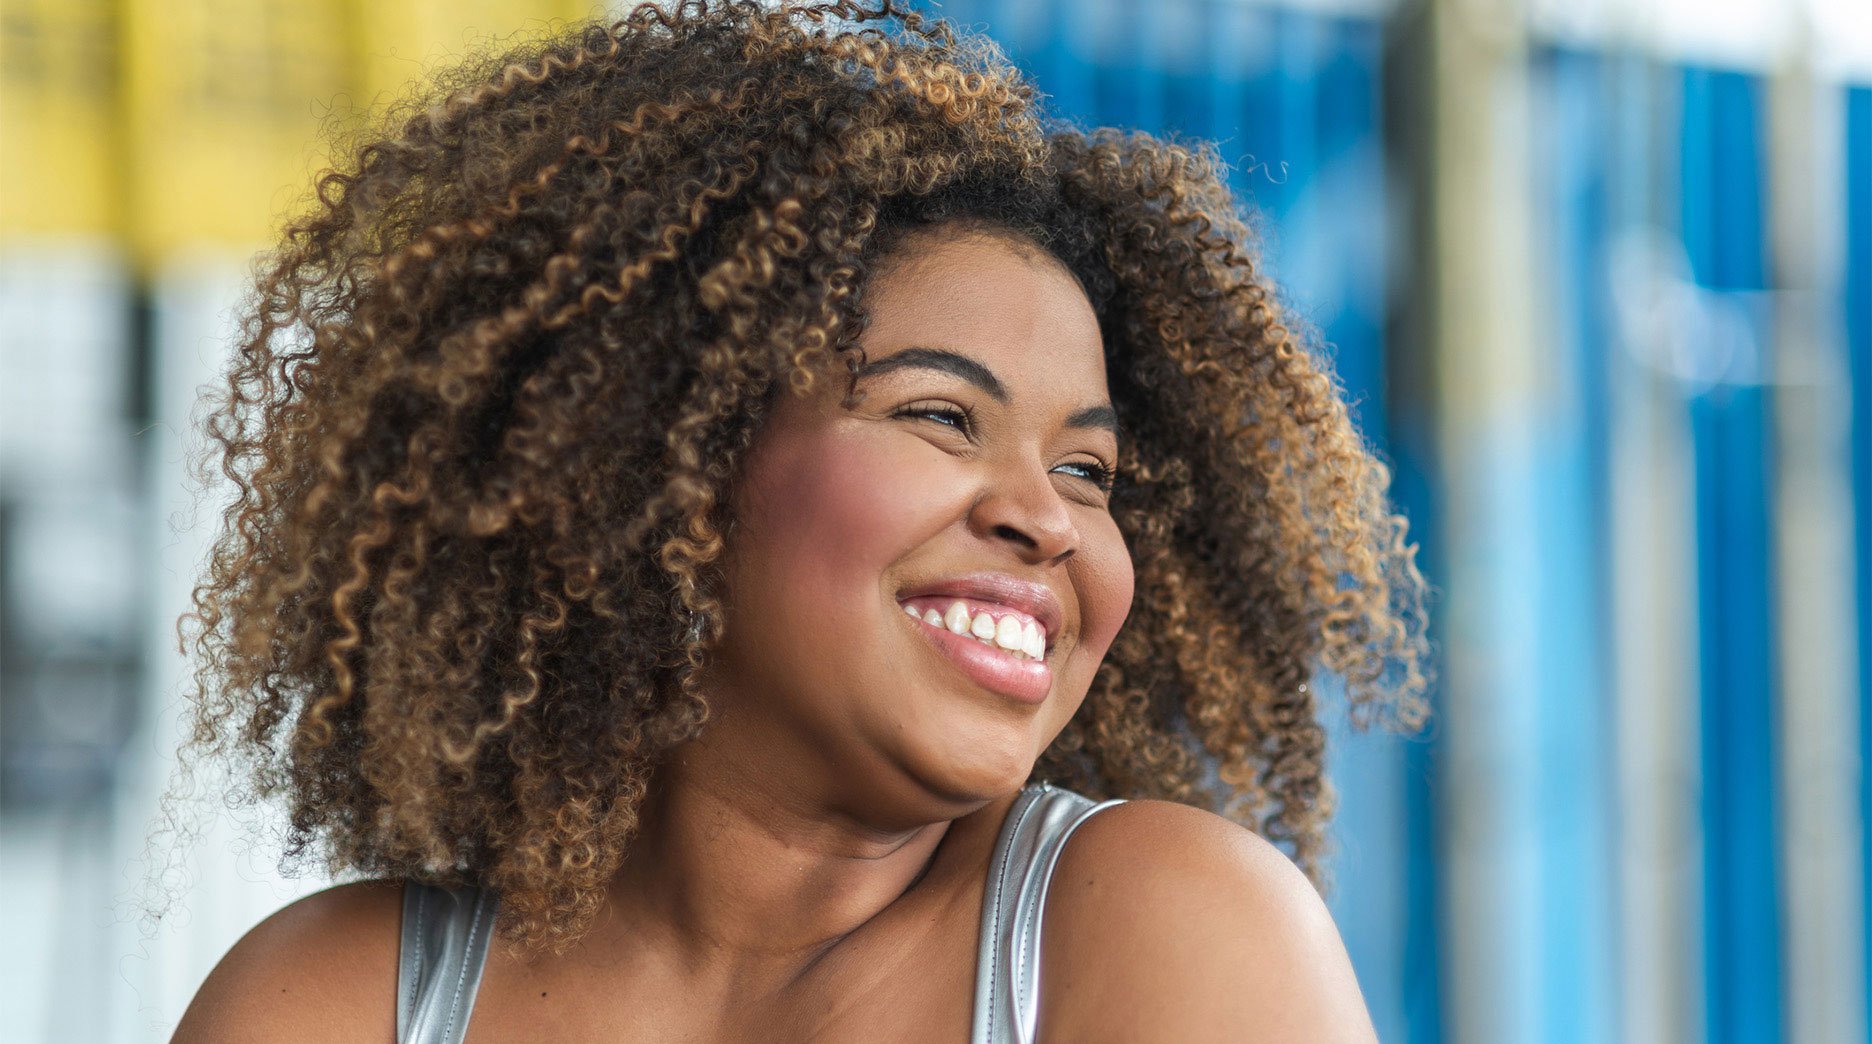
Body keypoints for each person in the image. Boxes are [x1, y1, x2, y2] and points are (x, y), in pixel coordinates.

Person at [165, 2, 1430, 1040]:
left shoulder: (1162, 935)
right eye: (941, 415)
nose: (1047, 519)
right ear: (654, 454)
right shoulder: (325, 1003)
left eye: (1091, 471)